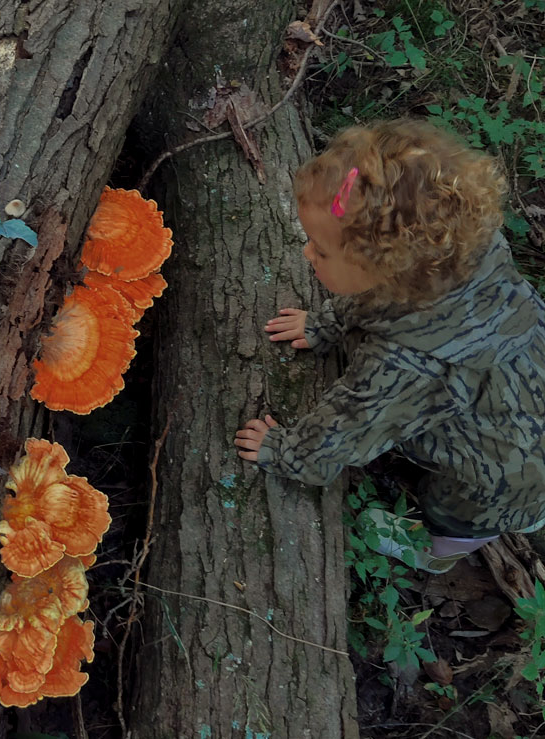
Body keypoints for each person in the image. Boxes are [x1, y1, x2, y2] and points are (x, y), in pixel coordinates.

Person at [233, 119, 545, 574]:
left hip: (509, 476)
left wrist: (286, 452)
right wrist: (324, 325)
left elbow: (350, 426)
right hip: (519, 399)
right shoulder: (460, 250)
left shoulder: (403, 367)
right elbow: (371, 299)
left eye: (320, 251)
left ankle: (438, 554)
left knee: (457, 513)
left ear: (388, 268)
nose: (307, 255)